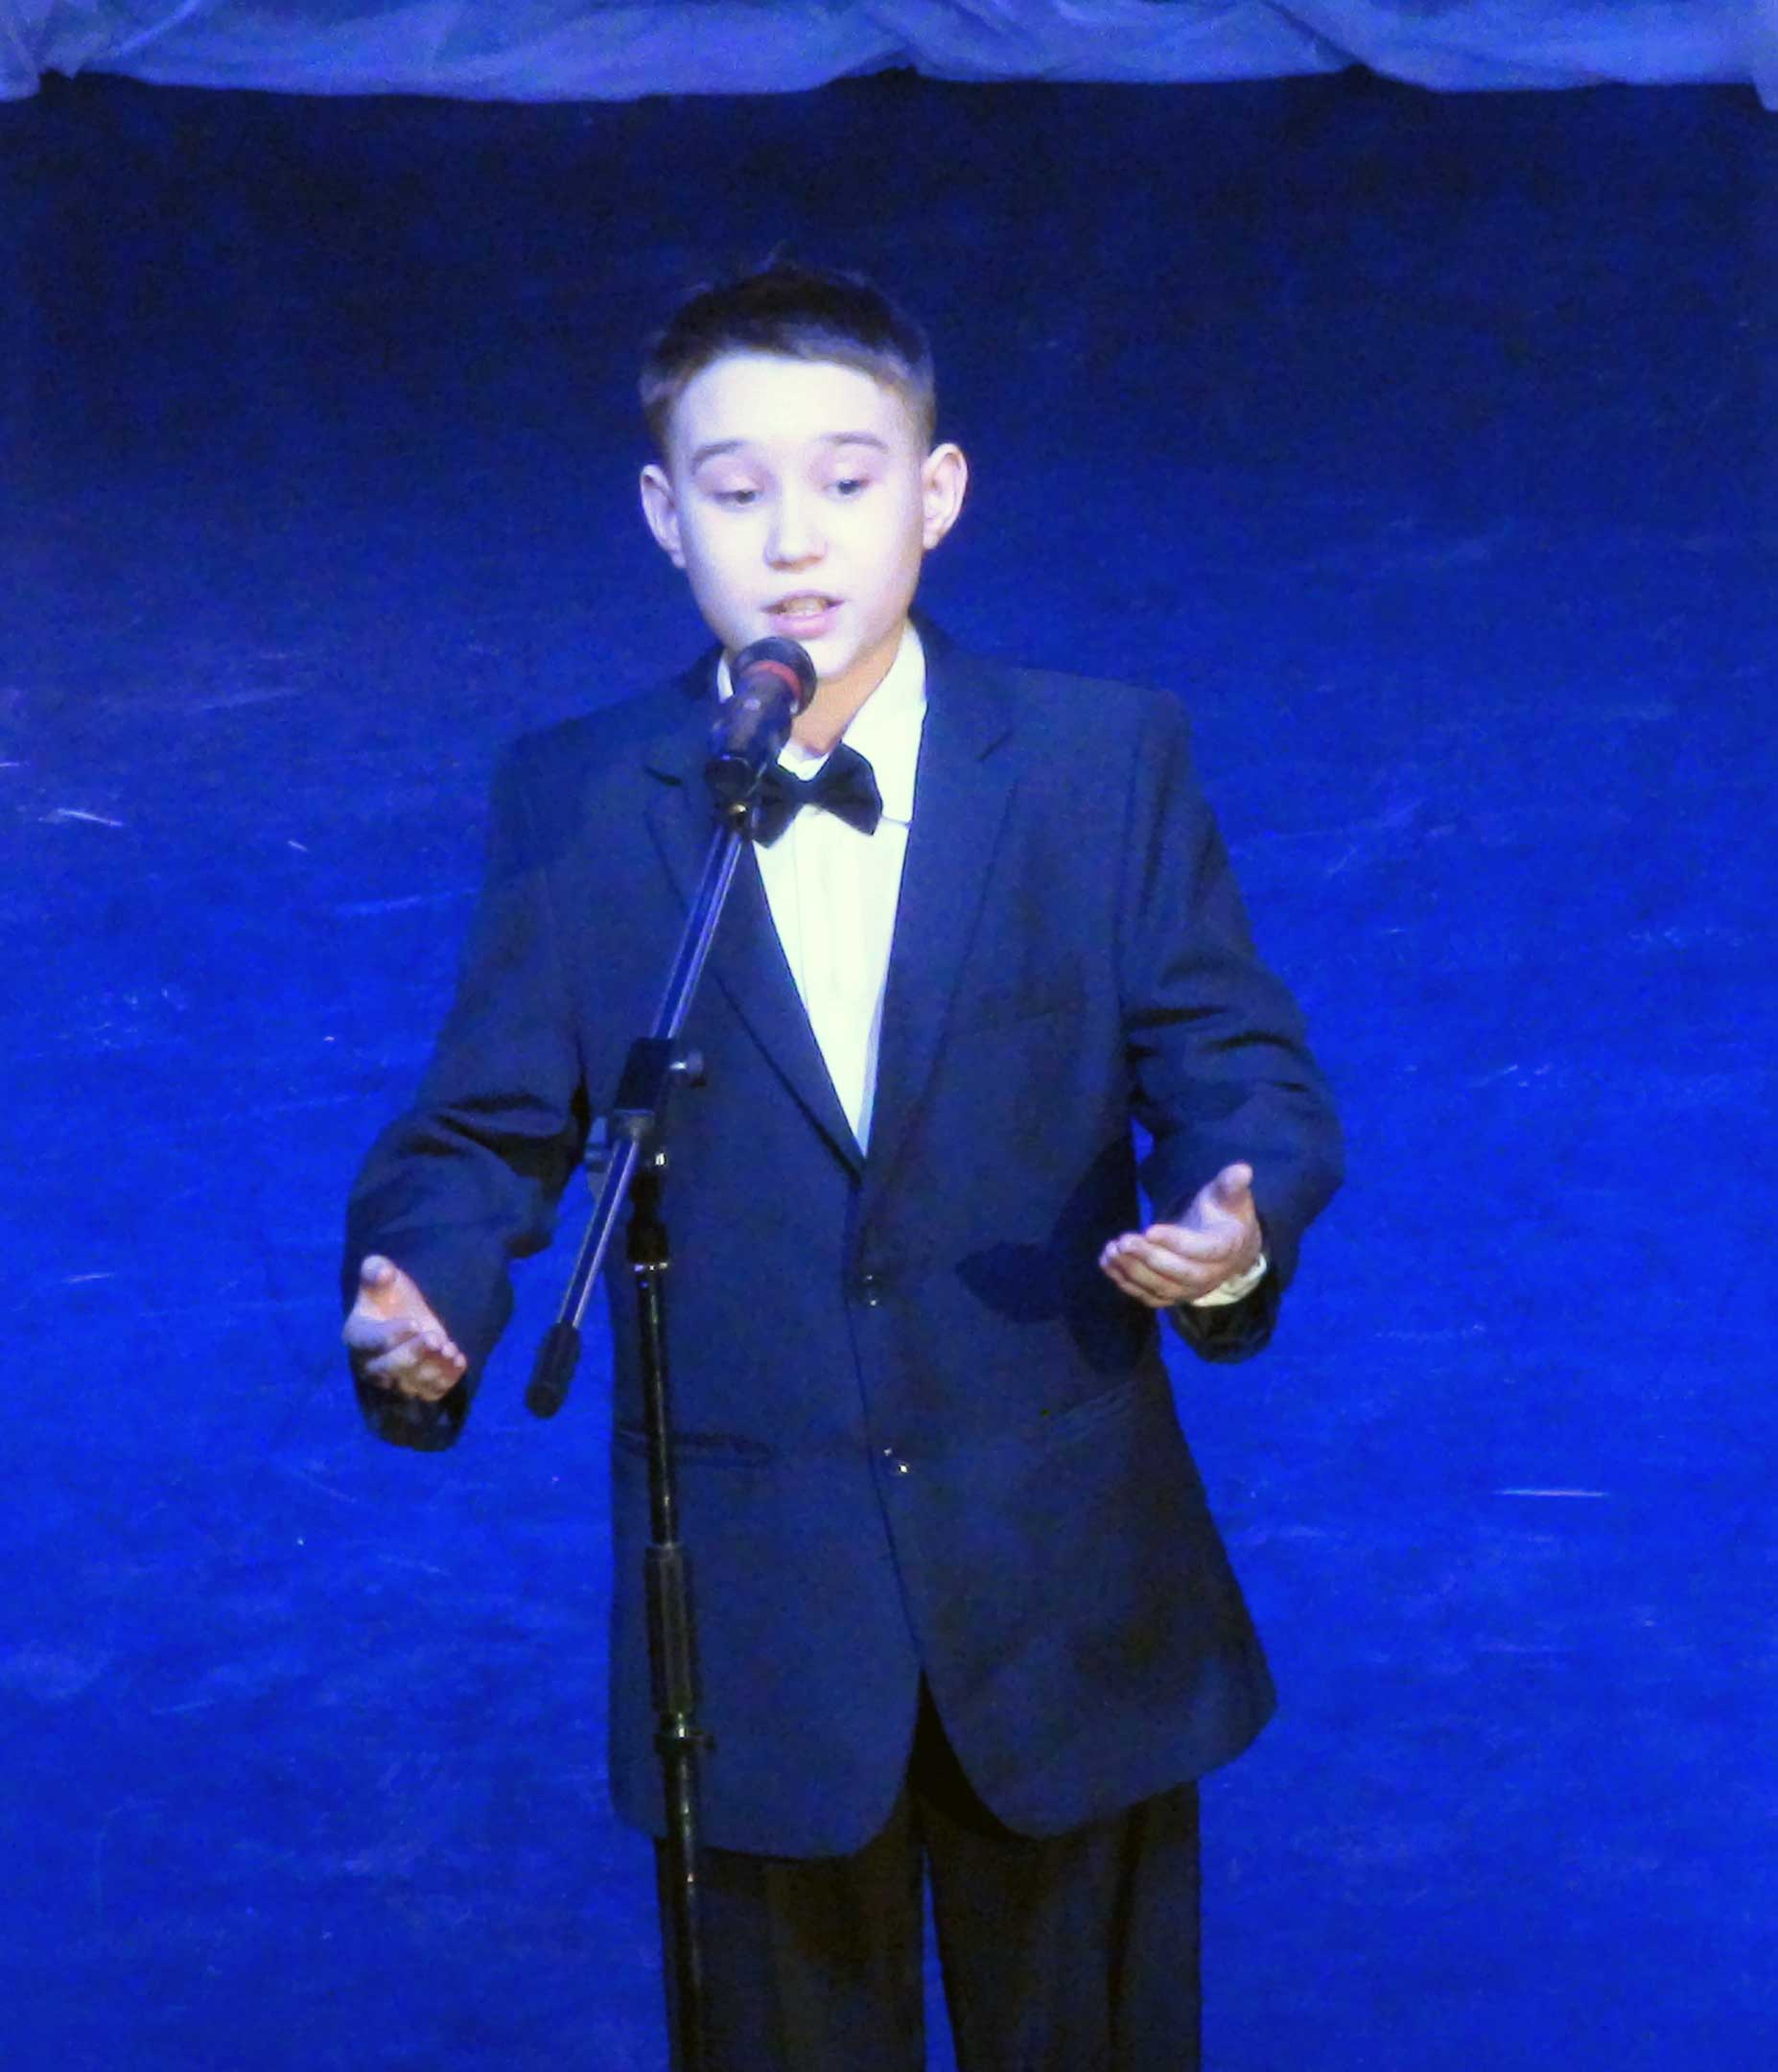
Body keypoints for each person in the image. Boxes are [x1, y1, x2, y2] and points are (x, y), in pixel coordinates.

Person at [342, 262, 1343, 2070]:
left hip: (1062, 1588)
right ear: (663, 515)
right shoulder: (584, 797)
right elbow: (485, 1124)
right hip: (756, 1620)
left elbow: (1233, 1063)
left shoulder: (1100, 761)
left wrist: (1236, 1216)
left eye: (847, 479)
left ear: (936, 492)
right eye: (735, 490)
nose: (794, 538)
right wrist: (430, 1288)